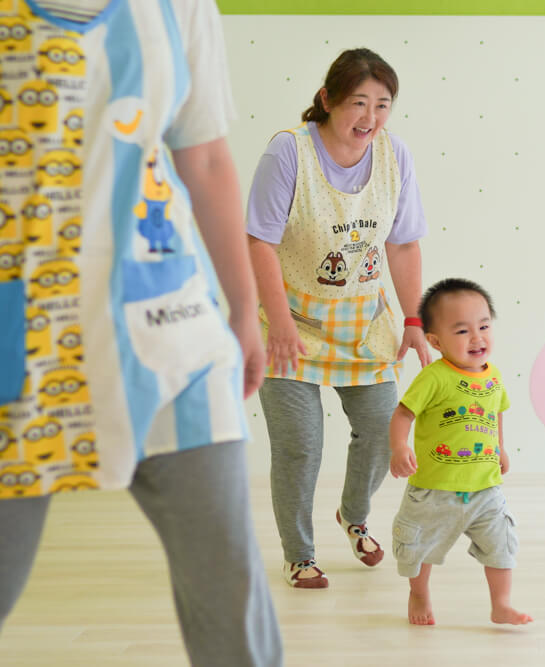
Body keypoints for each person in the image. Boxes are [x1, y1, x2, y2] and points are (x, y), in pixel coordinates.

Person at [0, 0, 282, 665]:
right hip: (25, 335)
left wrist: (245, 308)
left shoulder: (180, 7)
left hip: (169, 326)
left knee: (229, 586)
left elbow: (206, 156)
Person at [246, 48, 431, 589]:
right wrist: (277, 323)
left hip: (363, 326)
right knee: (301, 445)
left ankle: (353, 515)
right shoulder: (289, 152)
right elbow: (259, 241)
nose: (369, 118)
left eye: (382, 105)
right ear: (327, 100)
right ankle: (299, 554)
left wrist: (414, 320)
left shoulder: (395, 157)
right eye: (358, 103)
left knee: (383, 432)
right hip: (290, 324)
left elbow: (403, 245)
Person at [389, 278, 532, 626]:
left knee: (501, 543)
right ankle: (419, 591)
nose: (477, 337)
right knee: (418, 545)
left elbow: (496, 410)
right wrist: (398, 446)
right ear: (435, 341)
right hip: (434, 490)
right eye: (463, 331)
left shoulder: (494, 376)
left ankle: (501, 604)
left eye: (483, 326)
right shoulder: (434, 378)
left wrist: (499, 447)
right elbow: (403, 413)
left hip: (485, 487)